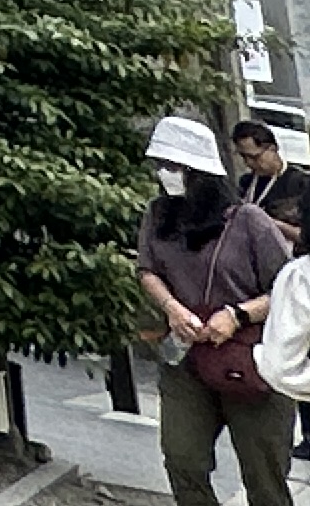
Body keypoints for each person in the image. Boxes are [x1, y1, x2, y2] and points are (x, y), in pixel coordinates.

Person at [141, 112, 296, 506]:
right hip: (187, 357)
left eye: (174, 167)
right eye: (161, 166)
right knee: (182, 459)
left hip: (251, 359)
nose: (166, 174)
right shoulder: (158, 215)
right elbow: (147, 269)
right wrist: (172, 307)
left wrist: (238, 315)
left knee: (265, 478)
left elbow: (289, 289)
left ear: (198, 171)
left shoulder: (249, 222)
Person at [240, 122, 310, 253]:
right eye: (243, 157)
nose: (248, 163)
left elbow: (304, 236)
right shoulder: (246, 183)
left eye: (254, 157)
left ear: (272, 149)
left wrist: (268, 223)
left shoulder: (301, 184)